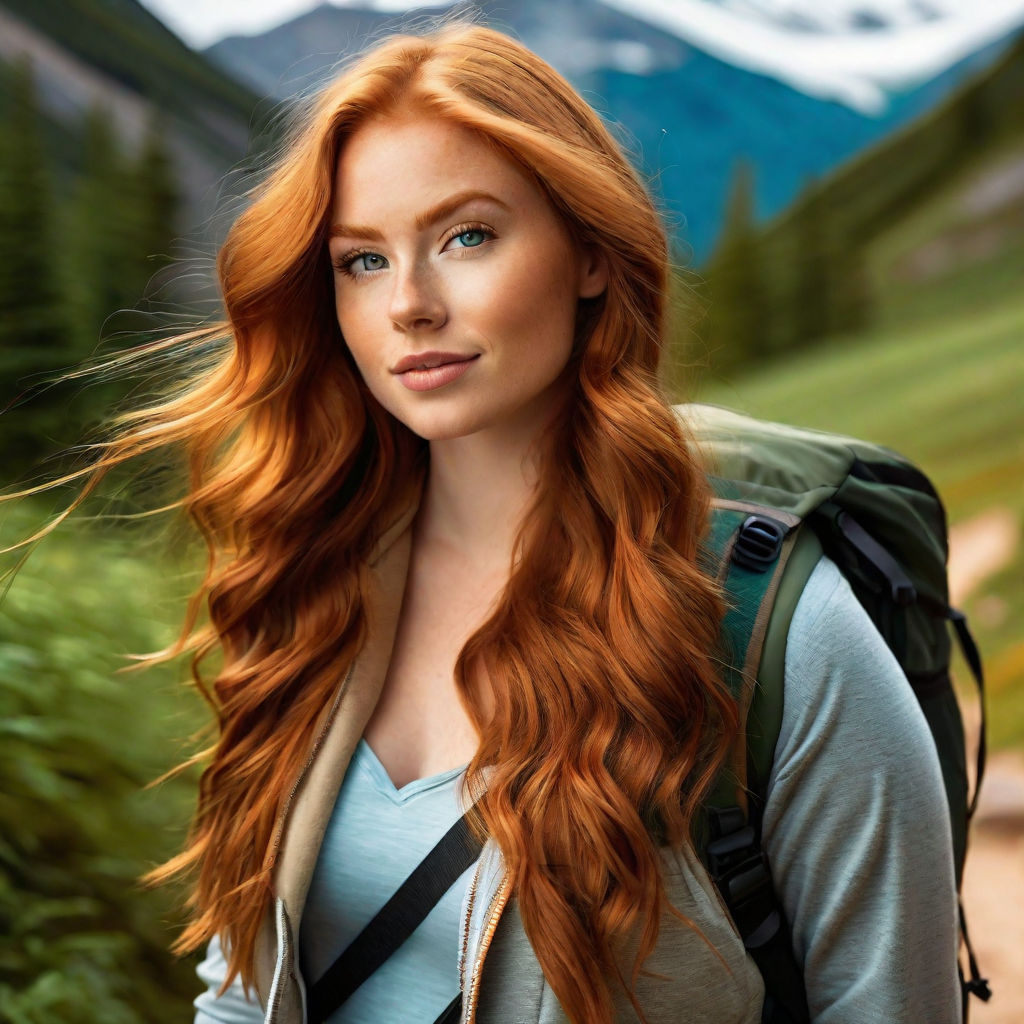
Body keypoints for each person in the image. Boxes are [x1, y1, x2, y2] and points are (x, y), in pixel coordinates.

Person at [35, 22, 960, 1024]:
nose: (410, 306)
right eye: (361, 262)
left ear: (590, 256)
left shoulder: (768, 626)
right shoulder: (310, 577)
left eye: (466, 236)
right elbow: (245, 991)